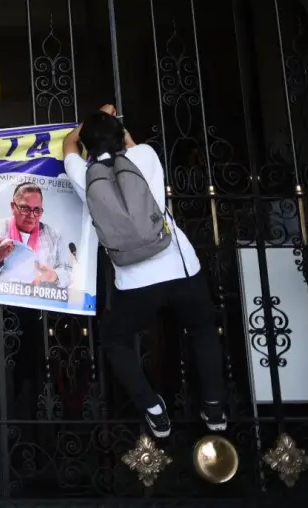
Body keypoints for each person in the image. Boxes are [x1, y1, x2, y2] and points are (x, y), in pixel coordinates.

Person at [63, 104, 226, 438]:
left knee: (115, 341)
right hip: (181, 268)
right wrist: (110, 118)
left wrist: (91, 122)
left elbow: (69, 143)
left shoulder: (82, 174)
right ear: (120, 137)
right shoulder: (145, 156)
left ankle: (152, 407)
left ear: (89, 146)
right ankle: (213, 407)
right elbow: (126, 140)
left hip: (135, 281)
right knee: (202, 331)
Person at [0, 182, 72, 289]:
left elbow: (69, 273)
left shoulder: (54, 236)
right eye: (25, 209)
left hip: (38, 300)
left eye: (37, 210)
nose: (31, 216)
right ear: (13, 207)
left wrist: (54, 275)